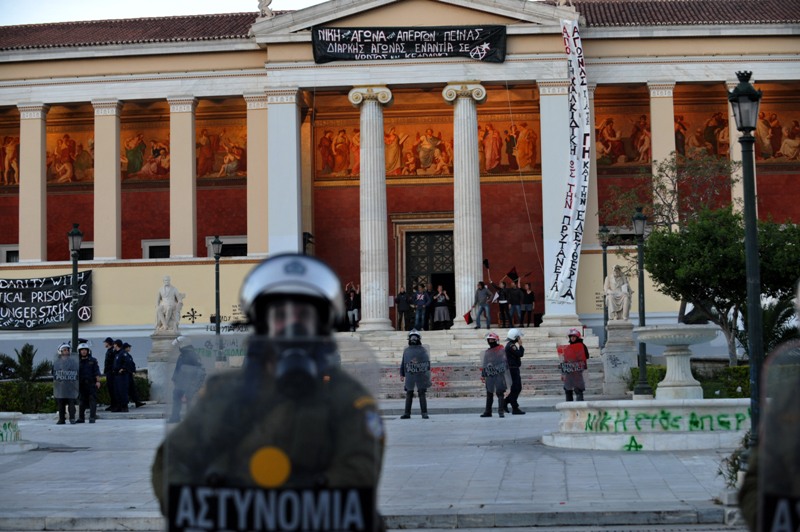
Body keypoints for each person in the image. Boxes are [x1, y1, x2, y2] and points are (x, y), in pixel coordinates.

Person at [151, 253, 385, 529]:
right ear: (262, 323)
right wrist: (197, 501)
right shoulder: (225, 392)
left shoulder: (348, 396)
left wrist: (291, 503)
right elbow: (174, 458)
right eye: (281, 314)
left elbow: (359, 470)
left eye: (304, 315)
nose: (293, 325)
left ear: (322, 325)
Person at [167, 336, 206, 423]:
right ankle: (176, 417)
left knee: (188, 401)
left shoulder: (189, 355)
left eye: (179, 345)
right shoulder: (185, 354)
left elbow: (191, 372)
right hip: (181, 384)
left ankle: (187, 419)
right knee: (179, 401)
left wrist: (186, 389)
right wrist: (175, 379)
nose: (178, 348)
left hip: (185, 385)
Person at [400, 329, 431, 419]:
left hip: (420, 374)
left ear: (418, 339)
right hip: (410, 374)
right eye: (412, 338)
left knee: (421, 392)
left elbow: (426, 363)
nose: (413, 339)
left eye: (415, 338)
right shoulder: (407, 351)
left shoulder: (423, 350)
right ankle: (407, 413)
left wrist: (427, 375)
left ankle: (424, 413)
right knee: (409, 392)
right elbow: (404, 362)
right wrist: (402, 374)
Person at [480, 332, 507, 418]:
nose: (490, 341)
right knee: (489, 393)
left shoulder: (501, 349)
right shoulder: (487, 352)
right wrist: (483, 374)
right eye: (489, 340)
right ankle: (488, 411)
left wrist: (497, 367)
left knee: (500, 393)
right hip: (490, 374)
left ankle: (501, 411)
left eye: (492, 340)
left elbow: (505, 362)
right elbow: (484, 363)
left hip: (499, 374)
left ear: (496, 340)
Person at [560, 328, 590, 402]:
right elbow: (565, 359)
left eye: (574, 337)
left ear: (577, 337)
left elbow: (586, 356)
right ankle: (569, 407)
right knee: (567, 389)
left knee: (578, 389)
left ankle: (580, 407)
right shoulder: (567, 348)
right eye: (571, 337)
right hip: (569, 371)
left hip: (578, 370)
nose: (572, 338)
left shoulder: (582, 346)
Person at [53, 343, 78, 425]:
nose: (66, 352)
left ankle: (72, 418)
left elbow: (75, 372)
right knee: (61, 403)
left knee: (71, 403)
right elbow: (54, 372)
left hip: (70, 385)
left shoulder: (72, 362)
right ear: (60, 351)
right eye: (64, 350)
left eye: (67, 350)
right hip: (60, 386)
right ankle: (61, 419)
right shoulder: (57, 362)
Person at [76, 342, 101, 423]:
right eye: (82, 350)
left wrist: (98, 381)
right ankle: (81, 418)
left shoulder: (93, 361)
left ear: (88, 351)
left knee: (92, 400)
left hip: (91, 383)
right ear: (79, 351)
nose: (83, 351)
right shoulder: (76, 361)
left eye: (85, 350)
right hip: (81, 384)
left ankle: (92, 417)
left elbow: (96, 372)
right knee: (81, 401)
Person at [503, 328, 525, 415]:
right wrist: (521, 345)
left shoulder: (510, 344)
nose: (519, 338)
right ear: (515, 337)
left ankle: (506, 402)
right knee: (516, 388)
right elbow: (520, 354)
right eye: (518, 337)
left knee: (516, 388)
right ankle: (514, 407)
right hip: (512, 369)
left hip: (513, 368)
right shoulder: (511, 346)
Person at [112, 339, 135, 412]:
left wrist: (123, 369)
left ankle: (124, 406)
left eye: (114, 344)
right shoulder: (117, 353)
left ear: (117, 345)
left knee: (123, 391)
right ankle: (119, 406)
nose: (113, 346)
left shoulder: (123, 353)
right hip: (117, 375)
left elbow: (127, 362)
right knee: (117, 391)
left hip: (122, 375)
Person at [123, 343, 145, 408]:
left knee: (132, 389)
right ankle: (126, 403)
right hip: (126, 374)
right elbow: (127, 364)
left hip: (129, 374)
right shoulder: (124, 355)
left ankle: (137, 402)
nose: (130, 349)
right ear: (126, 348)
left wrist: (133, 370)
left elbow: (132, 363)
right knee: (127, 389)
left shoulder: (128, 355)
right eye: (129, 347)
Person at [102, 337, 118, 412]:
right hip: (109, 372)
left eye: (105, 342)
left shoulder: (112, 351)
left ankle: (115, 405)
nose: (104, 344)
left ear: (108, 343)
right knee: (110, 390)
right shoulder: (110, 351)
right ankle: (113, 405)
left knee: (113, 390)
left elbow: (112, 362)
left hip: (111, 373)